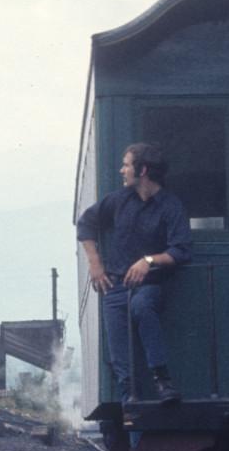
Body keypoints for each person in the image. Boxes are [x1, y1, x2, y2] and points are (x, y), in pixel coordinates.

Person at [76, 142, 192, 404]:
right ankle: (131, 404)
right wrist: (95, 264)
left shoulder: (170, 206)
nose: (121, 170)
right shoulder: (118, 201)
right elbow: (85, 223)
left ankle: (163, 382)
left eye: (126, 165)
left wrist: (148, 261)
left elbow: (182, 250)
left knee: (142, 306)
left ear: (143, 170)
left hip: (150, 285)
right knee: (119, 356)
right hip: (114, 288)